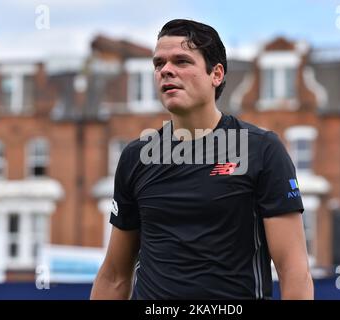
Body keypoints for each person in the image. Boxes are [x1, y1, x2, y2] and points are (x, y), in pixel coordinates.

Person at [91, 19, 314, 300]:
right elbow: (114, 276)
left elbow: (294, 271)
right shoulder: (135, 158)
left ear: (216, 74)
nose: (166, 71)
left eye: (181, 61)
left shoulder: (262, 150)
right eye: (159, 64)